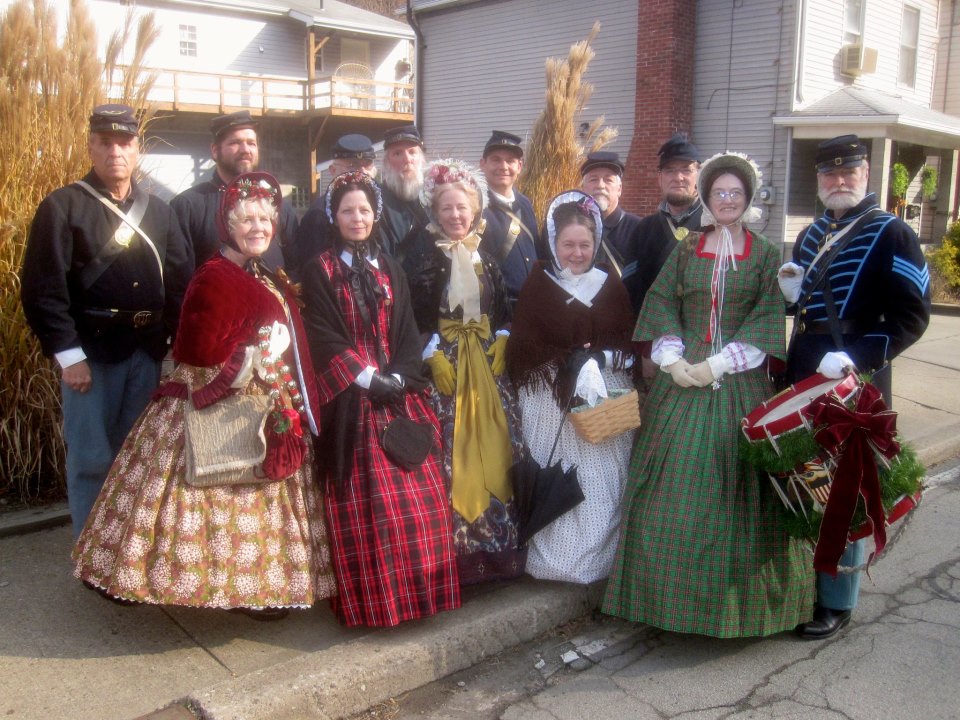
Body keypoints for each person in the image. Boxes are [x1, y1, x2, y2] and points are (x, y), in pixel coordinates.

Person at [73, 172, 337, 617]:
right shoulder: (214, 276)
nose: (258, 228)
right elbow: (195, 352)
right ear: (227, 226)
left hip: (263, 399)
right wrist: (255, 354)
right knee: (209, 489)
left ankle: (256, 587)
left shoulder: (260, 271)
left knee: (250, 495)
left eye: (265, 220)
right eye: (247, 220)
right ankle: (205, 583)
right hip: (221, 404)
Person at [602, 151, 814, 637]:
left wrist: (719, 363)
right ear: (707, 198)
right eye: (719, 193)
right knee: (667, 482)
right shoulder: (685, 248)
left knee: (737, 485)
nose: (726, 200)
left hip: (739, 377)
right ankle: (661, 605)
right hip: (682, 376)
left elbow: (766, 317)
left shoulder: (763, 254)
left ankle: (737, 613)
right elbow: (660, 301)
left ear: (747, 199)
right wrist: (673, 359)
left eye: (735, 194)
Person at [778, 134, 931, 640]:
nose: (838, 181)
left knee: (843, 489)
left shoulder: (892, 233)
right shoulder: (813, 232)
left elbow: (913, 316)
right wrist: (788, 299)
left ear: (867, 173)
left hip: (852, 376)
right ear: (819, 179)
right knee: (804, 480)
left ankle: (836, 601)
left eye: (848, 172)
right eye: (829, 174)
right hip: (804, 368)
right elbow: (802, 308)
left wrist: (859, 356)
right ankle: (805, 585)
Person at [20, 104, 193, 540]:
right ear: (92, 147)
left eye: (125, 142)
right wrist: (68, 355)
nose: (116, 151)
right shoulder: (62, 206)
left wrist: (176, 343)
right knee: (92, 457)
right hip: (90, 353)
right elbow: (44, 289)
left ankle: (125, 551)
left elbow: (179, 282)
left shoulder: (160, 211)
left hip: (146, 351)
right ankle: (91, 549)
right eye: (106, 142)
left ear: (137, 149)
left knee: (137, 455)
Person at [300, 170, 461, 627]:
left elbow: (408, 329)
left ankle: (421, 599)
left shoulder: (389, 267)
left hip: (397, 390)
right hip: (354, 398)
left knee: (421, 505)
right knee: (374, 511)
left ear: (376, 215)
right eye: (348, 210)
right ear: (334, 215)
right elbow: (323, 335)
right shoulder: (320, 270)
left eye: (365, 210)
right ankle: (377, 605)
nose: (357, 218)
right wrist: (367, 377)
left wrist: (402, 376)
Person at [403, 159, 527, 584]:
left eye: (463, 209)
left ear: (475, 210)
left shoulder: (486, 258)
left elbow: (504, 307)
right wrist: (430, 352)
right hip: (448, 371)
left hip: (488, 368)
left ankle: (500, 551)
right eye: (447, 209)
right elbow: (409, 317)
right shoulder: (421, 260)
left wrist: (505, 336)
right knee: (454, 457)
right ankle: (460, 558)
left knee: (497, 450)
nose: (456, 216)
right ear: (434, 213)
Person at [506, 191, 637, 584]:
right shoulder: (538, 285)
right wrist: (565, 362)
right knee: (557, 472)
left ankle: (599, 560)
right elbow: (523, 350)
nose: (577, 253)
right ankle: (555, 560)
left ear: (595, 244)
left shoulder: (609, 285)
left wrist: (600, 361)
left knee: (601, 479)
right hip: (550, 400)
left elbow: (629, 345)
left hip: (601, 401)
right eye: (568, 244)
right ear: (553, 243)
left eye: (584, 244)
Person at [170, 110, 299, 270]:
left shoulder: (277, 204)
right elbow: (179, 280)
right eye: (235, 143)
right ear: (215, 150)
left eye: (251, 143)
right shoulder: (188, 206)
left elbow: (297, 266)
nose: (245, 149)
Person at [630, 133, 704, 314]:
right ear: (660, 178)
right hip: (654, 332)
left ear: (699, 176)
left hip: (702, 333)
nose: (678, 177)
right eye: (670, 170)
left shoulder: (716, 227)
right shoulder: (643, 230)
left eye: (686, 170)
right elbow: (632, 287)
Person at [294, 134, 379, 272]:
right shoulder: (319, 215)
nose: (362, 172)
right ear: (333, 171)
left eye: (367, 165)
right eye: (353, 165)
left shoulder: (378, 207)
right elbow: (314, 271)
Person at [478, 130, 539, 310]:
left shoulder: (525, 203)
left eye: (510, 161)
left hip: (532, 305)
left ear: (519, 166)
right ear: (482, 164)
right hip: (497, 309)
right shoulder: (475, 205)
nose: (503, 166)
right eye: (496, 159)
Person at [579, 152, 643, 288]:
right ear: (583, 188)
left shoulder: (640, 229)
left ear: (619, 189)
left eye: (608, 180)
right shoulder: (569, 226)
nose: (600, 185)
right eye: (593, 179)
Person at [379, 125, 429, 260]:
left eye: (412, 152)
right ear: (386, 162)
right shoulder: (376, 204)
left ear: (421, 158)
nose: (407, 159)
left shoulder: (434, 198)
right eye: (397, 153)